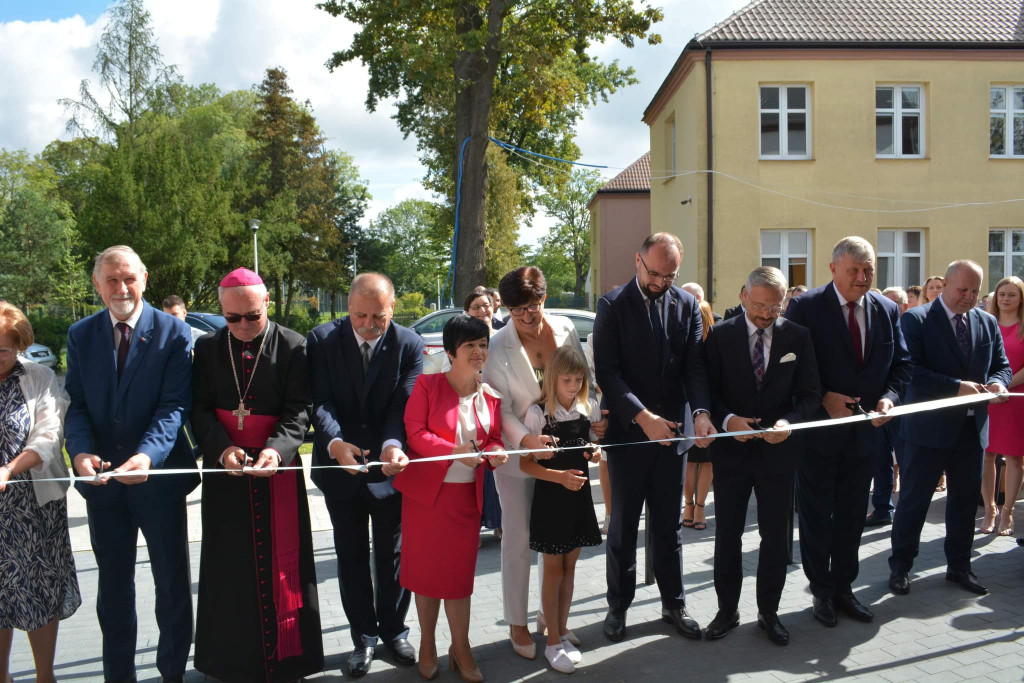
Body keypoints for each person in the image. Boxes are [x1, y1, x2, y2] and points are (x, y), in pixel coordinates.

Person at [65, 245, 199, 683]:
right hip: (103, 487)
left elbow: (174, 405)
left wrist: (148, 456)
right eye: (111, 280)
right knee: (113, 590)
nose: (121, 288)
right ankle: (118, 676)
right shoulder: (80, 335)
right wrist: (80, 451)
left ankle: (173, 673)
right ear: (97, 284)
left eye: (129, 278)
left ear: (144, 278)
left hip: (156, 481)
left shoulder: (174, 332)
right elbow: (77, 406)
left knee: (172, 585)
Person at [191, 268, 324, 681]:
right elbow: (197, 409)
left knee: (284, 566)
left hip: (275, 470)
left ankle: (289, 659)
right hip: (226, 472)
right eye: (233, 319)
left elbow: (300, 409)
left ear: (266, 303)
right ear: (222, 312)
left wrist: (277, 450)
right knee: (227, 567)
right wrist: (222, 448)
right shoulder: (209, 349)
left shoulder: (293, 346)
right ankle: (231, 662)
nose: (243, 327)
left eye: (251, 316)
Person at [594, 232, 715, 643]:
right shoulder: (612, 305)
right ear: (638, 261)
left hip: (675, 438)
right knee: (624, 528)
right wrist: (643, 418)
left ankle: (673, 603)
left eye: (671, 275)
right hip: (630, 436)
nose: (663, 282)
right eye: (656, 273)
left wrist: (700, 414)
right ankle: (618, 607)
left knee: (668, 527)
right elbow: (608, 373)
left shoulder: (686, 305)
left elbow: (695, 367)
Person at [784, 236, 910, 628]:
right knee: (818, 516)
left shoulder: (887, 308)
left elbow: (902, 365)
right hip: (819, 434)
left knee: (854, 516)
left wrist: (889, 398)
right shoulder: (805, 307)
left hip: (867, 435)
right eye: (854, 270)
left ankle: (843, 588)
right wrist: (823, 398)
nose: (862, 277)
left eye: (868, 269)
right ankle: (820, 591)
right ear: (833, 268)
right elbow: (789, 365)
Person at [307, 272, 423, 677]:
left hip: (388, 468)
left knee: (392, 555)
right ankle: (363, 639)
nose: (370, 325)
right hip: (339, 468)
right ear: (347, 309)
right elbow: (319, 401)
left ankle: (395, 632)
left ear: (393, 309)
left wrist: (394, 444)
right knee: (351, 556)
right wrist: (336, 444)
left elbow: (402, 406)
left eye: (379, 316)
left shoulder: (408, 343)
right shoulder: (322, 339)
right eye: (361, 316)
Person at [703, 267, 821, 646]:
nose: (766, 314)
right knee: (728, 536)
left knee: (775, 538)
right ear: (743, 295)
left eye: (775, 307)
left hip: (778, 454)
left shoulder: (798, 337)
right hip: (732, 453)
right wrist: (727, 419)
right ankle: (726, 610)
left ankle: (769, 613)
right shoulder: (720, 336)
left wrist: (790, 421)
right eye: (759, 305)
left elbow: (811, 394)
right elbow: (708, 389)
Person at [481, 267, 594, 660]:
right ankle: (517, 622)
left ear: (545, 296)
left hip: (565, 453)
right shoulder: (498, 345)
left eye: (534, 305)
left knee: (559, 536)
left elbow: (583, 381)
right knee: (517, 539)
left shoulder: (563, 328)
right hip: (518, 459)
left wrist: (590, 418)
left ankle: (554, 620)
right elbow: (501, 408)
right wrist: (526, 440)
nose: (528, 317)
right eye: (517, 310)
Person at [394, 315, 508, 682]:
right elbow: (415, 433)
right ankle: (428, 644)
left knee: (459, 582)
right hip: (426, 501)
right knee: (426, 578)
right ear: (450, 352)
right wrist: (453, 451)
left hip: (464, 502)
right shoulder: (427, 386)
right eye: (470, 346)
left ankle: (461, 647)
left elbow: (493, 438)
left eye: (483, 345)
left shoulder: (490, 394)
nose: (478, 352)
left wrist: (497, 451)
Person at [888, 260, 1011, 596]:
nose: (969, 297)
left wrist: (999, 384)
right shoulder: (917, 318)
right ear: (945, 286)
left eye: (975, 291)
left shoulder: (986, 322)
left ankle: (959, 566)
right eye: (962, 290)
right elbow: (911, 369)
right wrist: (955, 386)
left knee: (963, 503)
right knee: (914, 501)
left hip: (972, 430)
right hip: (928, 430)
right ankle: (900, 566)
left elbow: (1001, 365)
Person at [0, 304, 81, 683]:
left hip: (33, 507)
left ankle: (44, 676)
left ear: (19, 345)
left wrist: (8, 469)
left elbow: (49, 438)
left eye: (2, 349)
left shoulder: (40, 377)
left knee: (40, 592)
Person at [520, 346, 603, 673]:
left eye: (578, 378)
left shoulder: (587, 409)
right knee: (553, 569)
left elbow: (592, 449)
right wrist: (558, 477)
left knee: (571, 566)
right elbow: (526, 465)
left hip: (578, 497)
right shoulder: (539, 414)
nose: (573, 384)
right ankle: (552, 640)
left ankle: (563, 627)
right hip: (552, 500)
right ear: (553, 378)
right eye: (566, 379)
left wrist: (594, 454)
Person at [865, 286, 912, 527]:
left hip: (900, 406)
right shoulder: (872, 328)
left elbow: (906, 367)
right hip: (875, 408)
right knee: (880, 459)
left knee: (905, 459)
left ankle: (907, 510)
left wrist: (892, 396)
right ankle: (883, 507)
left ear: (902, 307)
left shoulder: (910, 328)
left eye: (892, 303)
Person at [981, 276, 1024, 535]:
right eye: (1002, 294)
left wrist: (1005, 385)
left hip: (1016, 398)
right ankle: (989, 509)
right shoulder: (987, 323)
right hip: (989, 395)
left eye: (1012, 294)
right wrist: (991, 387)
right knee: (986, 454)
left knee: (1015, 458)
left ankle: (1007, 512)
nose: (1006, 299)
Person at [463, 288, 502, 539]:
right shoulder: (461, 340)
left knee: (498, 470)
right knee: (474, 471)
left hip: (500, 409)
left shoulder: (503, 338)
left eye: (486, 305)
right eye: (476, 307)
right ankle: (473, 528)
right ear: (467, 312)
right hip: (470, 411)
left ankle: (500, 522)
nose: (482, 310)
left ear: (494, 307)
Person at [683, 300, 716, 531]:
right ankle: (691, 506)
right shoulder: (684, 341)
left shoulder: (716, 342)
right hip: (687, 406)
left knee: (703, 461)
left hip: (709, 409)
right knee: (693, 459)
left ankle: (696, 507)